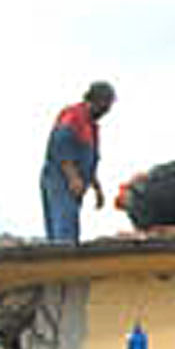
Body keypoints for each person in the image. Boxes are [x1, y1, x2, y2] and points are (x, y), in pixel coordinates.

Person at [40, 81, 114, 244]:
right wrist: (72, 177)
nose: (107, 111)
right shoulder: (73, 115)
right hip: (59, 180)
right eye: (105, 106)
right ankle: (61, 256)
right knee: (63, 226)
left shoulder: (92, 127)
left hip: (76, 184)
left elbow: (90, 161)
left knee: (70, 224)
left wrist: (97, 188)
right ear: (96, 100)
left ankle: (64, 251)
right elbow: (60, 144)